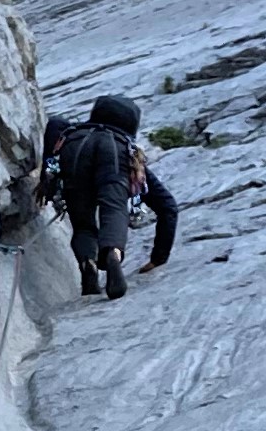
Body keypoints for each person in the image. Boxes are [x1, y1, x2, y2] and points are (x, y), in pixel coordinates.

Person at [54, 92, 178, 301]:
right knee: (114, 207)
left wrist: (46, 175)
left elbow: (55, 124)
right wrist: (158, 258)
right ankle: (113, 253)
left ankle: (88, 264)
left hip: (75, 150)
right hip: (115, 154)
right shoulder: (125, 146)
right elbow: (168, 207)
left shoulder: (73, 132)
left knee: (82, 223)